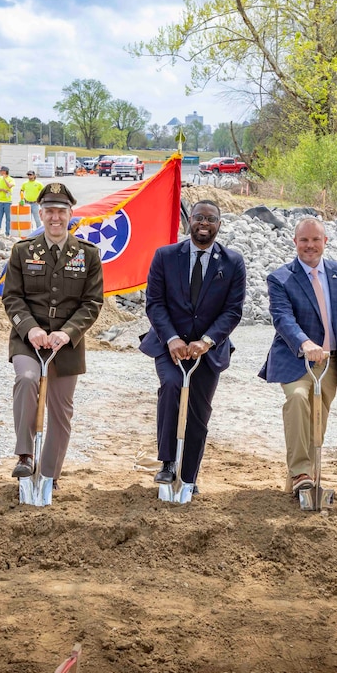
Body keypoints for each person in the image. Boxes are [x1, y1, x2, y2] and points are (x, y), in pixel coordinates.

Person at [140, 200, 246, 491]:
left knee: (199, 410)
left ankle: (189, 477)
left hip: (208, 350)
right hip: (168, 344)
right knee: (172, 386)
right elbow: (155, 304)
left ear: (219, 225)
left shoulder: (233, 262)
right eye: (199, 217)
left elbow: (233, 311)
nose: (204, 223)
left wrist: (207, 341)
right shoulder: (165, 256)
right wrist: (173, 339)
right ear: (190, 221)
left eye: (211, 219)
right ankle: (167, 463)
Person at [2, 182, 103, 482]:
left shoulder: (87, 254)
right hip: (27, 341)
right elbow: (12, 297)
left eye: (61, 211)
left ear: (71, 214)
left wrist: (68, 333)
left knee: (60, 412)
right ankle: (24, 455)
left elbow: (92, 302)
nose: (55, 218)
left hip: (67, 346)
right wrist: (30, 328)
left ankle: (48, 477)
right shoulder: (22, 251)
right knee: (27, 378)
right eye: (49, 211)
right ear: (40, 213)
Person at [258, 217, 337, 495]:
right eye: (304, 240)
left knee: (317, 422)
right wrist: (305, 344)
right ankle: (302, 472)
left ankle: (301, 483)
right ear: (295, 242)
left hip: (331, 361)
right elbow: (282, 318)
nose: (310, 245)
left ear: (325, 242)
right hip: (296, 359)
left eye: (315, 239)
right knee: (297, 399)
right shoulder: (280, 278)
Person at [0, 165, 14, 236]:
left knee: (8, 218)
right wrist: (2, 189)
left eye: (1, 171)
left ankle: (8, 232)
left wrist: (5, 179)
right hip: (0, 201)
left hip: (8, 202)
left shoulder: (11, 179)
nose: (0, 172)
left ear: (5, 172)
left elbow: (9, 186)